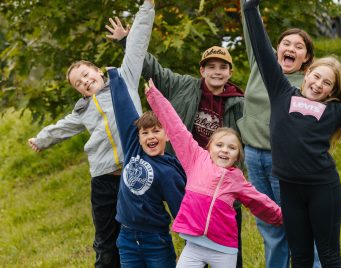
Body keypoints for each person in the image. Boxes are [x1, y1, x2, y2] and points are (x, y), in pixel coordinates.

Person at [238, 0, 341, 267]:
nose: (319, 84)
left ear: (331, 92)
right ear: (307, 73)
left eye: (327, 83)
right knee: (300, 257)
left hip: (322, 190)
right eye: (317, 77)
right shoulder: (280, 91)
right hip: (290, 190)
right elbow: (261, 48)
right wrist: (250, 8)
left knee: (328, 256)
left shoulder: (334, 112)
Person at [106, 21, 245, 267]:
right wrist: (128, 40)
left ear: (230, 73)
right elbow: (153, 69)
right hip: (187, 173)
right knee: (193, 242)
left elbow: (248, 141)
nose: (216, 71)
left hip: (220, 181)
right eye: (210, 66)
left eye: (223, 67)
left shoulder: (239, 102)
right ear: (202, 70)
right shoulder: (183, 86)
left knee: (228, 243)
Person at [27, 1, 155, 267]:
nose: (85, 82)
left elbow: (137, 45)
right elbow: (62, 127)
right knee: (107, 242)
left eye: (86, 75)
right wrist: (41, 140)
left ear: (98, 70)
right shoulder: (83, 109)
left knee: (143, 233)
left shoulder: (124, 78)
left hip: (135, 171)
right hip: (103, 180)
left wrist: (147, 8)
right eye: (79, 83)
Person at [145, 79, 282, 268]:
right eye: (219, 145)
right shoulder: (196, 159)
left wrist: (287, 219)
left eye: (232, 148)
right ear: (209, 148)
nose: (225, 150)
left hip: (224, 250)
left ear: (237, 156)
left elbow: (261, 202)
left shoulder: (238, 180)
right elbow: (176, 128)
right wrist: (155, 97)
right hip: (194, 246)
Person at [108, 67, 185, 267]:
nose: (150, 136)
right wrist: (114, 78)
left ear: (167, 135)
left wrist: (193, 240)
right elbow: (125, 112)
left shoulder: (169, 171)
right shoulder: (134, 149)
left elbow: (181, 208)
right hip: (126, 238)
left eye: (156, 131)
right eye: (145, 133)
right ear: (138, 138)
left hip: (155, 241)